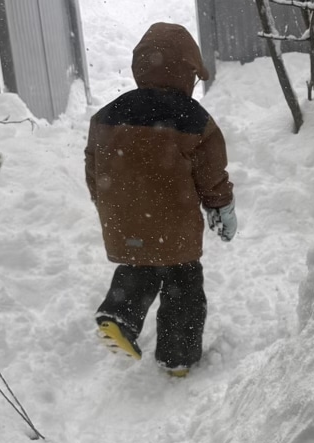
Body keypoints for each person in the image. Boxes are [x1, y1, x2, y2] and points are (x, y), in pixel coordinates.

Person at [84, 23, 236, 377]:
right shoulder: (193, 118)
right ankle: (177, 358)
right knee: (184, 284)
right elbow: (211, 173)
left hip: (124, 218)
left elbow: (93, 165)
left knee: (139, 269)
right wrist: (221, 206)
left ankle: (117, 317)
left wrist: (105, 203)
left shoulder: (107, 114)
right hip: (174, 220)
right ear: (186, 71)